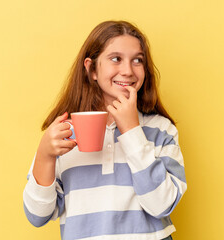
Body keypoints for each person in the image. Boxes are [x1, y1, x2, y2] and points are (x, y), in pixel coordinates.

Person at [23, 20, 187, 240]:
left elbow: (162, 205)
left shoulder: (161, 130)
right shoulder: (64, 133)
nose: (128, 70)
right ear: (91, 69)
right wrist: (44, 155)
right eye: (116, 59)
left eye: (137, 60)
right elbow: (37, 216)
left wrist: (132, 132)